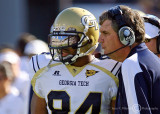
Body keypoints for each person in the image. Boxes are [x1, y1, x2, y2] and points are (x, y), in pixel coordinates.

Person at [29, 7, 121, 114]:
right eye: (57, 39)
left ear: (89, 40)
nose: (61, 46)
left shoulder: (112, 70)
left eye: (68, 40)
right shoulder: (44, 67)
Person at [98, 5, 160, 114]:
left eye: (105, 33)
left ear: (126, 35)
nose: (100, 39)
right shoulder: (148, 59)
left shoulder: (131, 64)